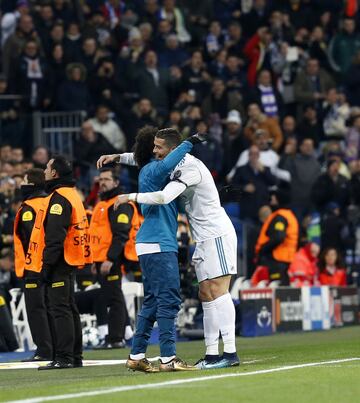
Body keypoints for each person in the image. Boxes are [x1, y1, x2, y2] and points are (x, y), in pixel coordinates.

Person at [114, 134, 240, 370]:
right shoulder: (169, 164)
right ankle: (212, 354)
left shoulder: (190, 168)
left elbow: (163, 197)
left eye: (160, 148)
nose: (155, 151)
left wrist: (129, 196)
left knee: (219, 290)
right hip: (201, 237)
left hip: (216, 234)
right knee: (205, 293)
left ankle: (230, 353)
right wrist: (118, 157)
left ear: (174, 150)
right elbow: (143, 159)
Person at [97, 127, 201, 372]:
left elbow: (140, 157)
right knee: (169, 298)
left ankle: (136, 355)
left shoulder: (146, 167)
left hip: (147, 243)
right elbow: (167, 163)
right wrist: (190, 142)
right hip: (159, 243)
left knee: (153, 301)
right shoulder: (155, 169)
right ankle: (168, 358)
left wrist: (117, 157)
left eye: (158, 147)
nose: (155, 151)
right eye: (153, 147)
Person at [39, 155, 92, 370]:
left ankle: (64, 357)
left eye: (47, 167)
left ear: (54, 173)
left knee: (60, 309)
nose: (44, 171)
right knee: (69, 307)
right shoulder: (72, 194)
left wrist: (46, 266)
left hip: (60, 260)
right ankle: (75, 355)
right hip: (72, 257)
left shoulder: (58, 198)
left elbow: (54, 237)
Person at [89, 167, 141, 348]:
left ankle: (116, 338)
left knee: (114, 297)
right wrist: (95, 260)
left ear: (116, 182)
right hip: (101, 258)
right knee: (111, 296)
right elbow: (98, 235)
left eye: (107, 179)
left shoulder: (120, 204)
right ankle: (121, 334)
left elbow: (121, 234)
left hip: (113, 258)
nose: (102, 182)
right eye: (100, 179)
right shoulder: (102, 204)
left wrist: (110, 258)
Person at [13, 168, 54, 361]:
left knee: (36, 309)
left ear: (31, 184)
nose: (21, 184)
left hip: (33, 265)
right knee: (50, 306)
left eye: (24, 180)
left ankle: (44, 350)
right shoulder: (49, 202)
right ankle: (54, 348)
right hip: (50, 263)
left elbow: (32, 238)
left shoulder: (28, 208)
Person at [254, 184, 299, 285]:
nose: (271, 201)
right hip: (284, 260)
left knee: (275, 292)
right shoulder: (289, 215)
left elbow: (278, 237)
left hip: (276, 260)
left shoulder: (281, 217)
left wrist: (263, 249)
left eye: (274, 198)